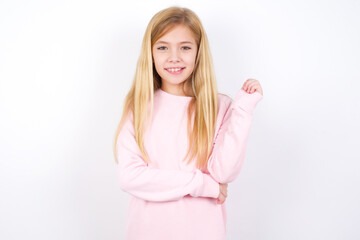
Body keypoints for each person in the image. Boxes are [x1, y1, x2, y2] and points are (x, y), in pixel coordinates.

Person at [113, 6, 263, 240]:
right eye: (163, 47)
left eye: (185, 47)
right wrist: (202, 184)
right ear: (151, 54)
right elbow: (130, 177)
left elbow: (223, 172)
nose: (174, 57)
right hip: (147, 232)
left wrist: (242, 109)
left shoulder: (219, 107)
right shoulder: (139, 107)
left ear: (198, 52)